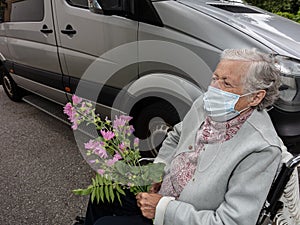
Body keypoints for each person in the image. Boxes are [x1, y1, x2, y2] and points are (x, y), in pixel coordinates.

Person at [84, 48, 283, 225]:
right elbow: (176, 136)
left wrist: (163, 209)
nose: (214, 88)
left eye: (226, 83)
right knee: (101, 196)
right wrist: (158, 170)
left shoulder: (261, 149)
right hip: (162, 188)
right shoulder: (206, 104)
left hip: (182, 215)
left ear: (256, 96)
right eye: (215, 78)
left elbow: (232, 221)